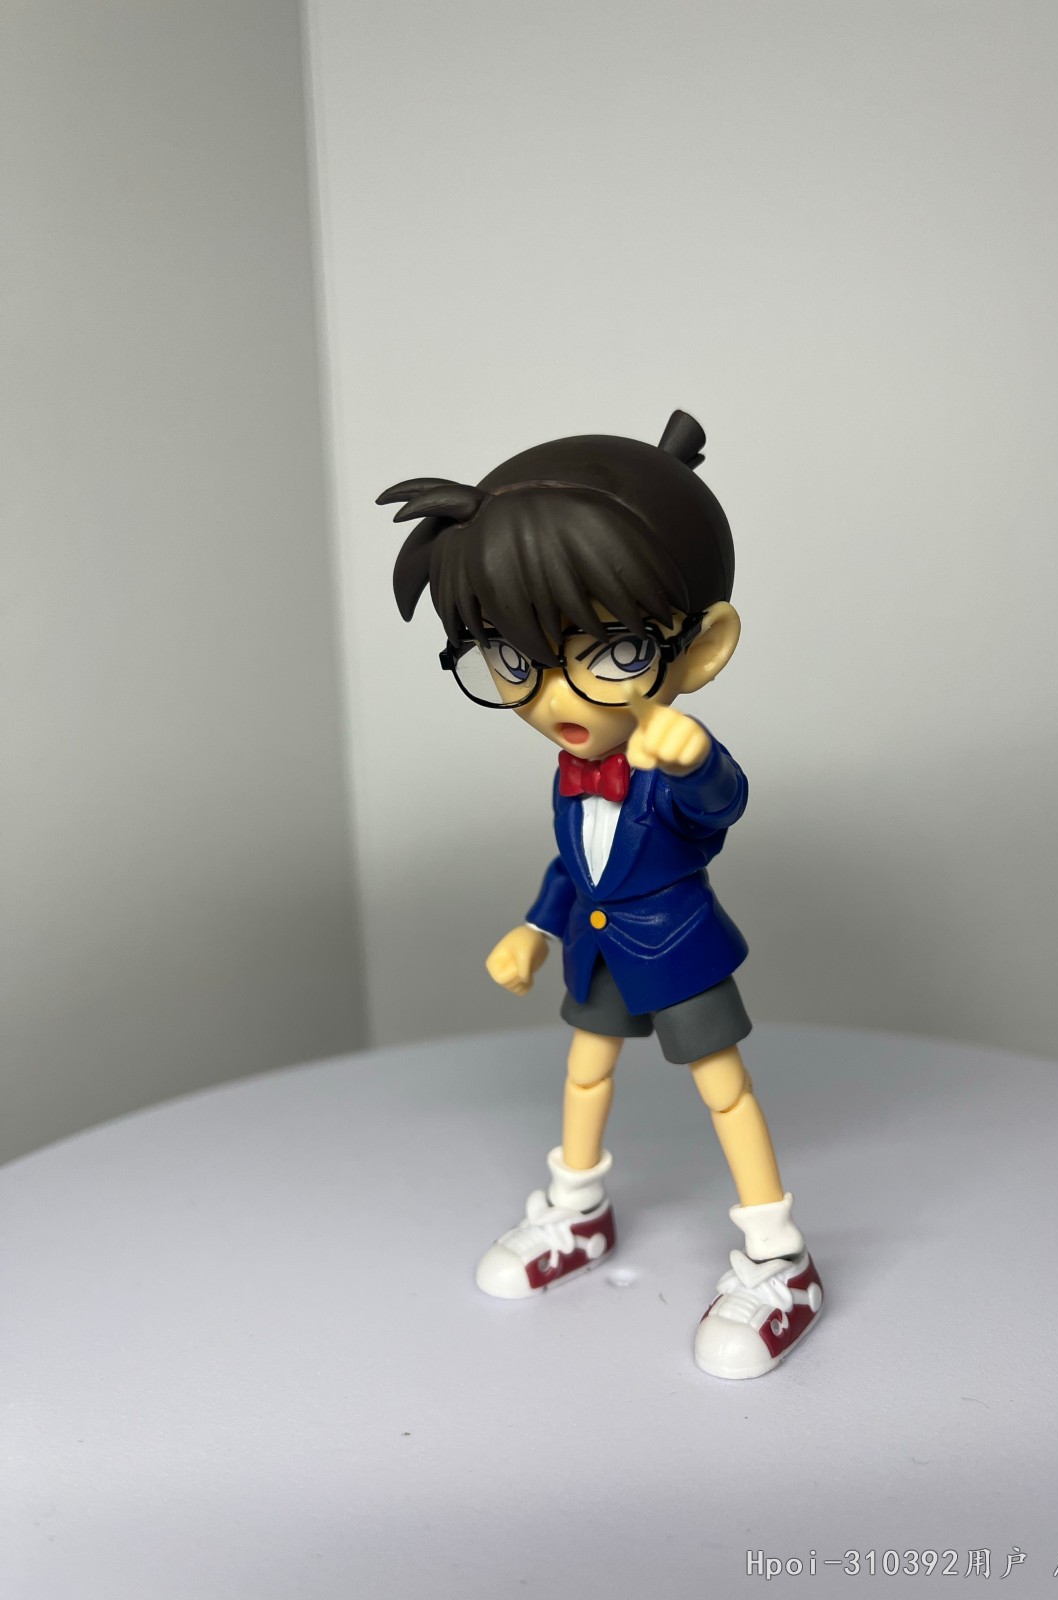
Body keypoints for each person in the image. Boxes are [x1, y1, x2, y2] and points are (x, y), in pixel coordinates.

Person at [377, 410, 823, 1379]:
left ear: (699, 650)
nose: (553, 699)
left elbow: (720, 808)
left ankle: (779, 1259)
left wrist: (697, 758)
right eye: (512, 660)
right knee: (585, 1074)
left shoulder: (665, 760)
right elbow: (576, 865)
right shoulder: (570, 771)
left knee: (724, 1089)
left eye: (611, 652)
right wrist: (534, 928)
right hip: (597, 945)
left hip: (679, 947)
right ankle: (578, 1211)